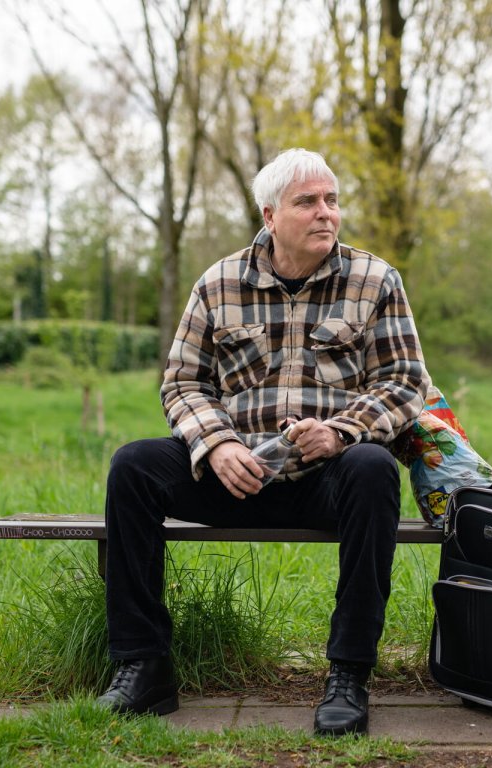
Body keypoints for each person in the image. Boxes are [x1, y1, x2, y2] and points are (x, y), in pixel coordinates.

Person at [95, 148, 429, 736]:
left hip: (328, 478)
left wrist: (340, 432)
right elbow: (183, 382)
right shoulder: (218, 283)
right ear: (271, 215)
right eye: (308, 202)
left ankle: (348, 676)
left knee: (375, 467)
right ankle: (143, 668)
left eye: (332, 199)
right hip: (235, 475)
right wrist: (219, 445)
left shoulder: (376, 280)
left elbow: (405, 383)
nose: (326, 213)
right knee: (134, 467)